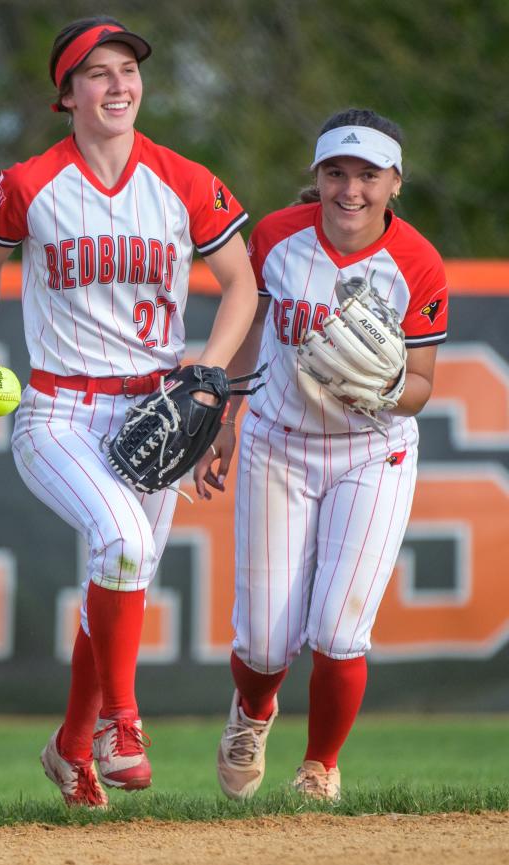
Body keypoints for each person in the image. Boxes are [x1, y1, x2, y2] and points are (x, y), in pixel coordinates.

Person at [0, 17, 258, 807]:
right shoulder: (30, 182)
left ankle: (67, 746)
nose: (118, 83)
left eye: (127, 69)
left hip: (157, 415)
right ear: (67, 94)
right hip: (58, 411)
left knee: (119, 574)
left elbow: (243, 284)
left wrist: (211, 379)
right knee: (121, 543)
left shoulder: (184, 180)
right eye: (97, 72)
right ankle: (121, 722)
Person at [196, 108, 449, 801]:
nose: (351, 190)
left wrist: (386, 383)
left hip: (372, 452)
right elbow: (246, 327)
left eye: (369, 174)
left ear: (396, 181)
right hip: (278, 444)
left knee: (340, 627)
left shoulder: (418, 262)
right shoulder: (277, 237)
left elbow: (422, 385)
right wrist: (226, 413)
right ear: (317, 176)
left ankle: (319, 765)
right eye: (336, 172)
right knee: (266, 642)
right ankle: (251, 713)